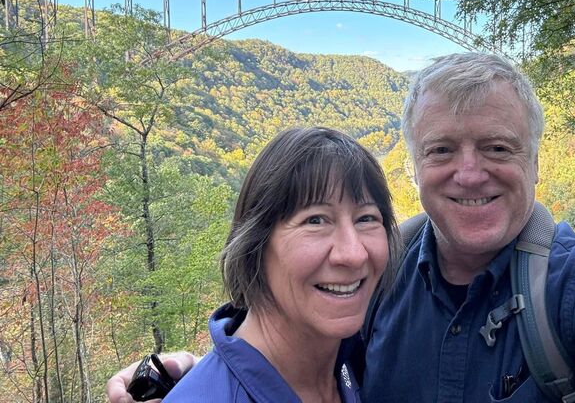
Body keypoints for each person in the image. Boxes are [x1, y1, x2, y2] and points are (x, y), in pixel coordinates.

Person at [108, 53, 575, 403]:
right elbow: (283, 335)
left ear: (536, 162)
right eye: (443, 150)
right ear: (414, 167)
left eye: (499, 149)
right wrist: (193, 376)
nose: (470, 173)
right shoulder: (373, 272)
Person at [141, 126, 399, 403]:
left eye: (366, 218)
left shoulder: (361, 363)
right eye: (315, 220)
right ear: (255, 245)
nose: (354, 254)